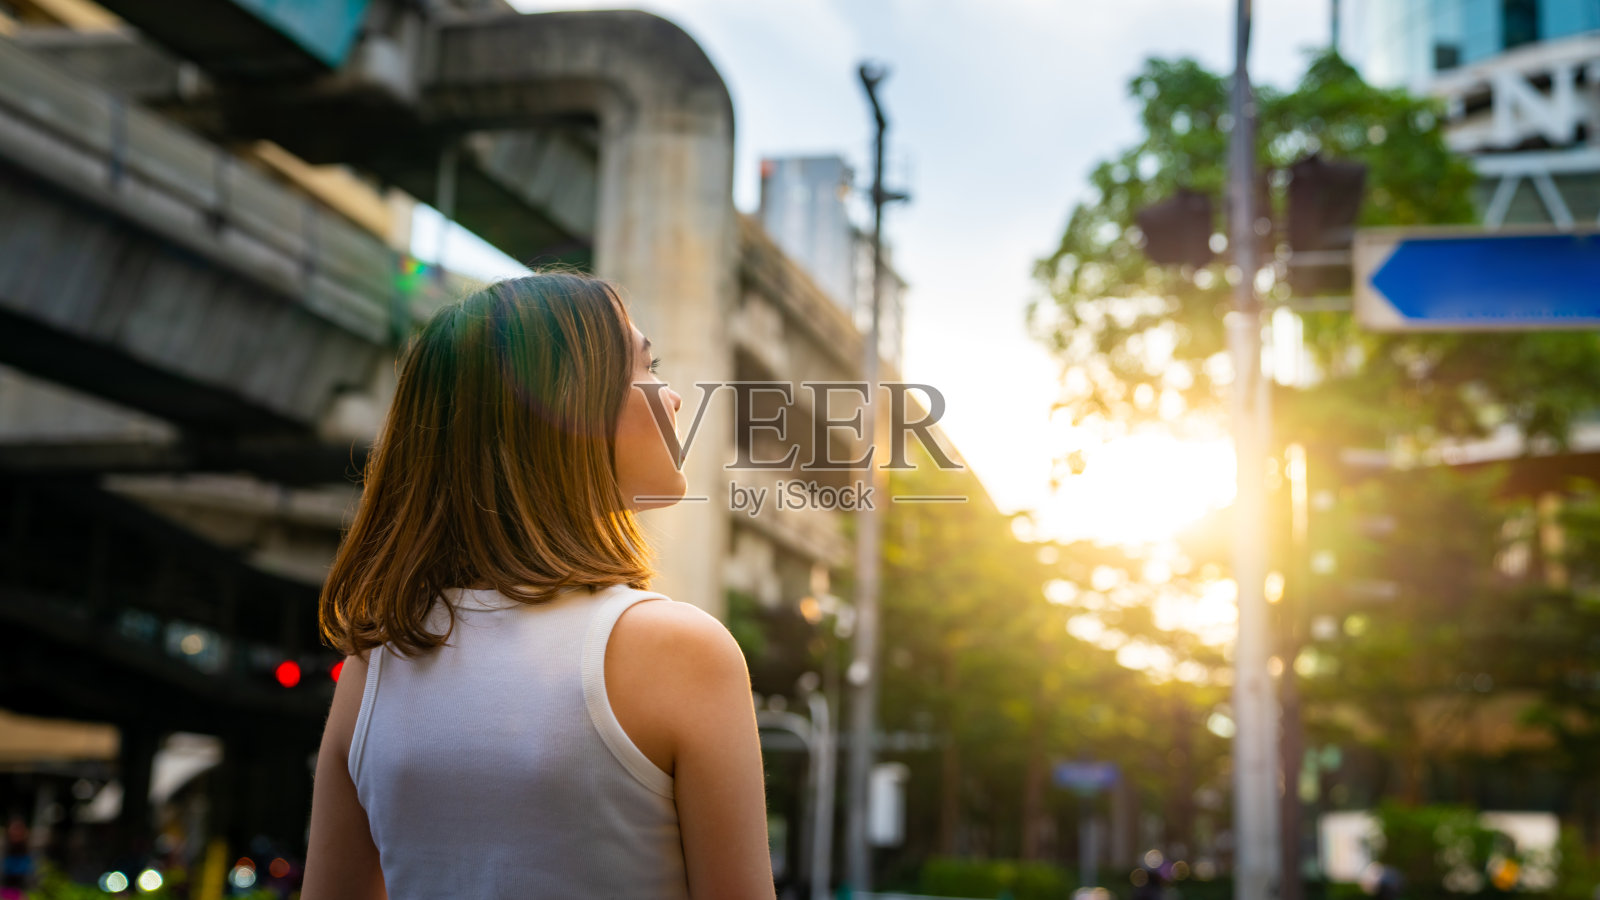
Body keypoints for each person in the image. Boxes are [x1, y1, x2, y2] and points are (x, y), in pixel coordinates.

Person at [301, 274, 775, 900]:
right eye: (647, 368)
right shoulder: (680, 650)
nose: (675, 399)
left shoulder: (376, 666)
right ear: (570, 411)